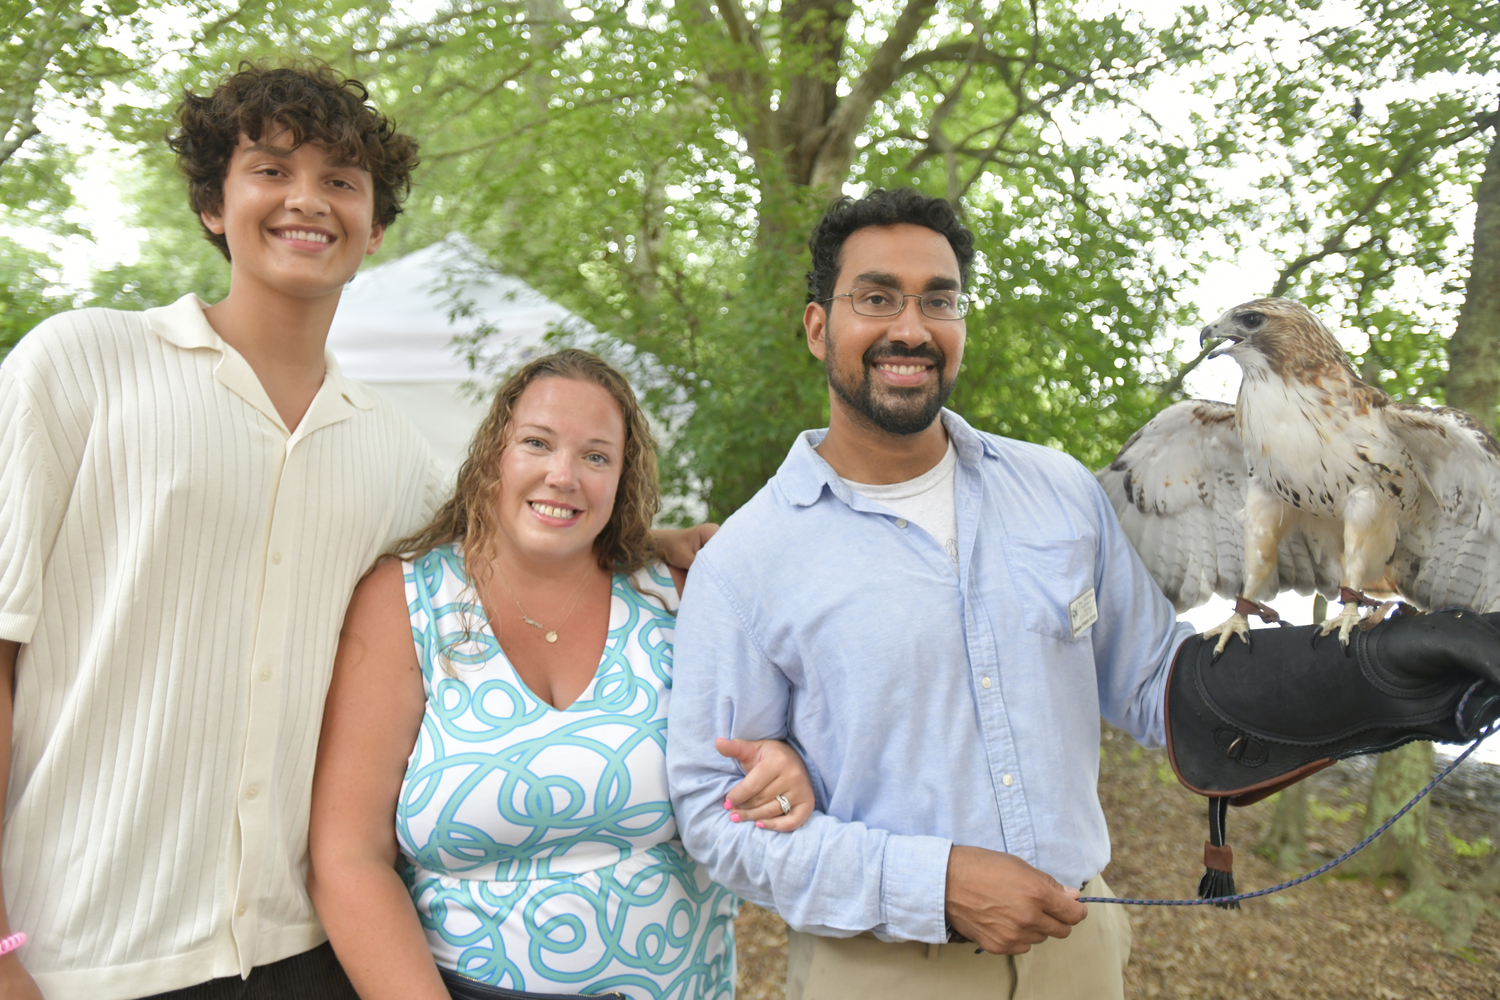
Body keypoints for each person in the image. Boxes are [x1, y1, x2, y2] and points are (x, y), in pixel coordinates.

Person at [0, 66, 712, 1000]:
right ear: (214, 203)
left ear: (375, 227)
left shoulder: (395, 457)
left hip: (303, 956)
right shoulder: (78, 367)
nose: (307, 199)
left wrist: (651, 544)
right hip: (80, 954)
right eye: (271, 169)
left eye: (341, 179)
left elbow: (505, 549)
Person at [663, 188, 1197, 1000]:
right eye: (876, 298)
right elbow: (713, 814)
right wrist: (933, 882)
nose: (911, 328)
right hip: (882, 969)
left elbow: (1158, 681)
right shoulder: (747, 559)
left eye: (938, 301)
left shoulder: (1059, 491)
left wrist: (1338, 688)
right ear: (818, 327)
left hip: (1080, 949)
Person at [307, 349, 814, 1000]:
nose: (563, 475)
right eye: (537, 444)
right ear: (494, 457)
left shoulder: (680, 595)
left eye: (596, 456)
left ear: (623, 478)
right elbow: (347, 858)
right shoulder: (406, 601)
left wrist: (787, 770)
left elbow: (778, 754)